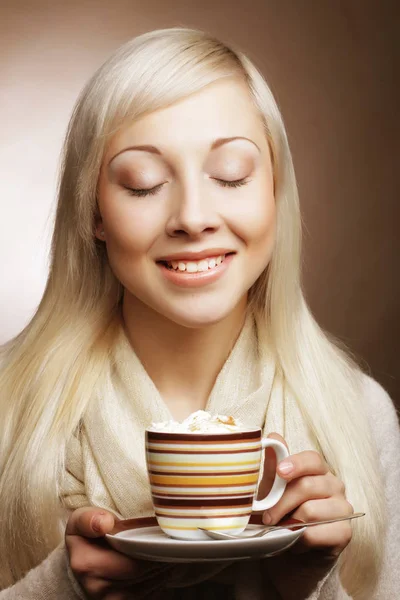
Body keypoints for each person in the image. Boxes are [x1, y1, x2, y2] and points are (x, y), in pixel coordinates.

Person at [0, 27, 398, 600]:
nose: (193, 216)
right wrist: (59, 587)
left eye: (231, 174)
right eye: (144, 184)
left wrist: (308, 587)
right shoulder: (11, 408)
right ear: (94, 212)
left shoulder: (359, 414)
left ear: (276, 192)